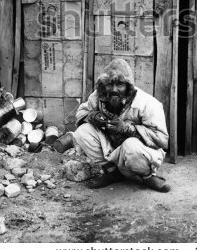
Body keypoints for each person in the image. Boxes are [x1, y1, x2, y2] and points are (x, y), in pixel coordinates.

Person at [73, 58, 170, 192]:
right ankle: (112, 172)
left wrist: (127, 128)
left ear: (128, 86)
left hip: (139, 152)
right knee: (82, 132)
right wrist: (92, 116)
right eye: (109, 84)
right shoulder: (98, 96)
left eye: (120, 84)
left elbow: (162, 140)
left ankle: (147, 176)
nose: (113, 89)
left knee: (130, 146)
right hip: (113, 149)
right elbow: (81, 112)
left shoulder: (147, 103)